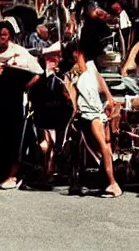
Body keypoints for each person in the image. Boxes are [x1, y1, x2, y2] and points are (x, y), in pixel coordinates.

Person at [0, 21, 43, 189]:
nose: (3, 37)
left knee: (14, 139)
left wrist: (26, 87)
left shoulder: (19, 52)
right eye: (0, 34)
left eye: (6, 34)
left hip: (14, 103)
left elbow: (38, 72)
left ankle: (13, 175)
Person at [69, 38, 122, 197]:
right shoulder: (74, 72)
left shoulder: (90, 66)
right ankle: (109, 181)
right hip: (87, 113)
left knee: (104, 146)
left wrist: (110, 97)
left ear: (80, 53)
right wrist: (73, 110)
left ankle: (113, 183)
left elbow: (101, 83)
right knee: (101, 148)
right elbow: (72, 93)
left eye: (75, 53)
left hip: (96, 112)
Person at [28, 42, 72, 188]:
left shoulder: (41, 78)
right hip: (54, 113)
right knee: (52, 144)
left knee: (47, 142)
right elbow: (66, 97)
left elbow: (31, 96)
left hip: (44, 113)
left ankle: (46, 169)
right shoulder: (57, 78)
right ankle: (49, 169)